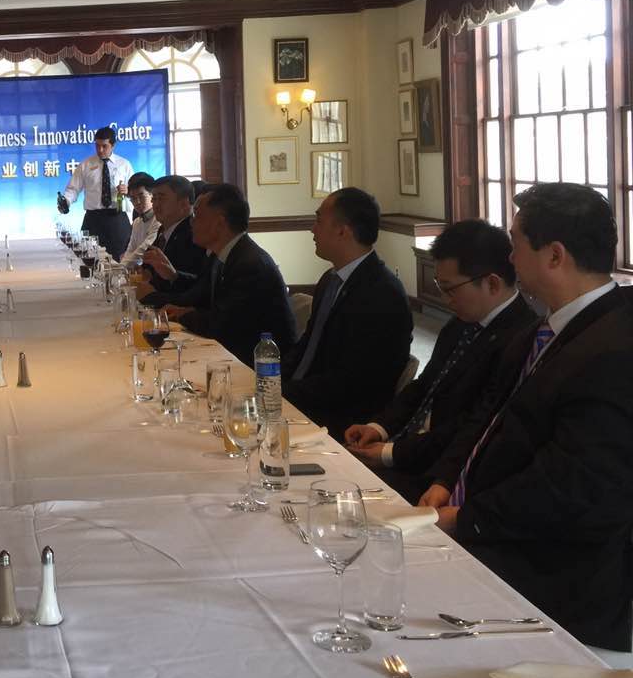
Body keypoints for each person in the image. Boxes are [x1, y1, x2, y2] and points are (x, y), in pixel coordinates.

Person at [422, 184, 633, 653]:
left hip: (553, 567)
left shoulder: (614, 348)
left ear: (554, 256)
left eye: (516, 244)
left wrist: (466, 520)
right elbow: (487, 419)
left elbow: (572, 485)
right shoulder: (542, 328)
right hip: (491, 521)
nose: (509, 258)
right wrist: (446, 479)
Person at [343, 220, 537, 502]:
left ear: (492, 283)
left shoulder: (520, 338)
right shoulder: (461, 322)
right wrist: (378, 427)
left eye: (450, 288)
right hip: (407, 447)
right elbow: (424, 385)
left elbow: (469, 425)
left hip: (439, 473)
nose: (445, 299)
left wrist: (391, 453)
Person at [280, 187, 412, 441]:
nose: (312, 230)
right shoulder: (330, 280)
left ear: (343, 231)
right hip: (304, 399)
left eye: (319, 221)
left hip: (341, 419)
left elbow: (354, 380)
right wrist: (270, 380)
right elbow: (308, 345)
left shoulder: (382, 293)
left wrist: (285, 393)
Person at [166, 184, 296, 361]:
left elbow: (221, 326)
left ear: (219, 223)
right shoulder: (224, 255)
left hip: (262, 363)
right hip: (234, 351)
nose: (191, 222)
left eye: (197, 215)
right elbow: (207, 302)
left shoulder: (250, 264)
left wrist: (182, 315)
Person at [57, 125, 134, 258]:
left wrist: (128, 190)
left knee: (122, 258)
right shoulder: (85, 165)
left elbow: (134, 189)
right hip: (93, 219)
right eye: (97, 146)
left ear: (113, 145)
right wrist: (66, 202)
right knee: (89, 258)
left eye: (104, 146)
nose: (100, 150)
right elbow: (73, 189)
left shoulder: (124, 165)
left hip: (117, 217)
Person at [139, 175, 208, 306]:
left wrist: (152, 295)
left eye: (161, 198)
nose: (155, 205)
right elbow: (150, 269)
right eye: (154, 199)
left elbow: (196, 287)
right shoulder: (164, 229)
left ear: (184, 203)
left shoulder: (194, 234)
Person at [118, 171, 159, 267]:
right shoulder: (137, 222)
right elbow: (130, 250)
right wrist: (121, 267)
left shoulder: (159, 219)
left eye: (141, 196)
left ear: (152, 194)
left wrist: (121, 267)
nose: (137, 202)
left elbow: (143, 249)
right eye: (133, 198)